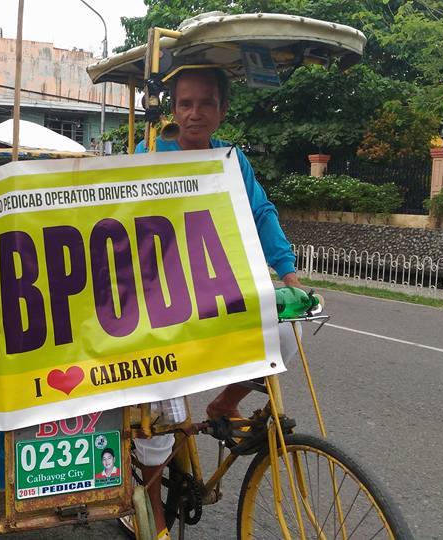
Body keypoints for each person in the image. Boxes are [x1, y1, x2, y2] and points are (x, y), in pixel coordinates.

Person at [135, 67, 302, 538]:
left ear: (222, 110)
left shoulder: (233, 159)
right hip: (159, 302)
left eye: (205, 103)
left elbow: (261, 212)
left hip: (215, 292)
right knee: (156, 421)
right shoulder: (150, 154)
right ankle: (153, 517)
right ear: (173, 109)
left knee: (289, 329)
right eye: (184, 103)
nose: (194, 113)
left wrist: (288, 271)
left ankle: (222, 404)